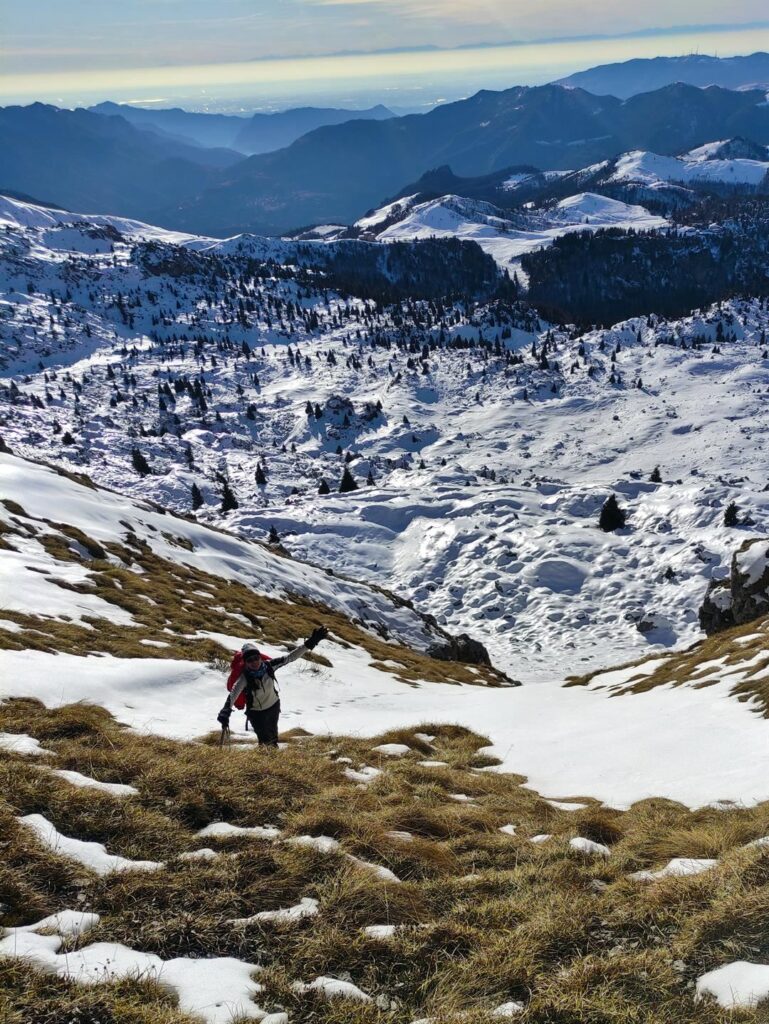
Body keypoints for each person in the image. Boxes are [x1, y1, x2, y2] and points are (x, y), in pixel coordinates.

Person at [217, 626, 328, 746]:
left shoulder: (270, 666)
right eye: (250, 660)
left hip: (273, 707)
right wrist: (226, 710)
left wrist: (310, 643)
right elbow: (234, 693)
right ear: (245, 662)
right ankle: (269, 760)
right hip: (256, 714)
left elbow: (290, 657)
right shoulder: (245, 677)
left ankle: (271, 759)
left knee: (273, 737)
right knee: (265, 742)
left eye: (256, 658)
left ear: (260, 657)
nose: (254, 662)